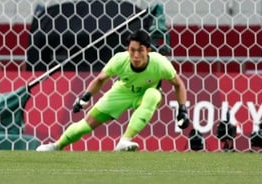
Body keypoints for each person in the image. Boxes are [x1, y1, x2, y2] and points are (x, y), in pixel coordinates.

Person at [36, 29, 190, 152]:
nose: (136, 55)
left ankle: (124, 140)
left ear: (148, 50)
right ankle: (57, 145)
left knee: (153, 95)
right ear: (127, 49)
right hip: (121, 92)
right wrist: (86, 96)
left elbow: (178, 84)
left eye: (140, 50)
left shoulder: (160, 63)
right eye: (132, 50)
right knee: (86, 124)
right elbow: (101, 79)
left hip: (144, 95)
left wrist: (182, 109)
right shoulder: (119, 59)